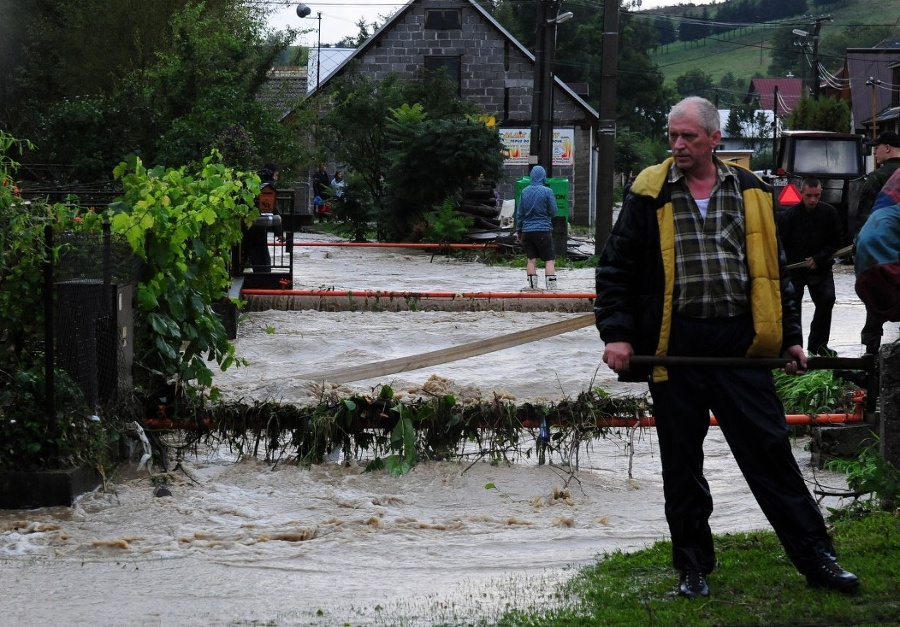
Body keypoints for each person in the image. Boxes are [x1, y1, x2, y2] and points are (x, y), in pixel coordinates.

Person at [594, 96, 859, 599]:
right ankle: (692, 566)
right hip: (675, 345)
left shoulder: (754, 192)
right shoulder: (648, 192)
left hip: (740, 343)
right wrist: (618, 334)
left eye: (688, 137)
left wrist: (792, 338)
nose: (677, 145)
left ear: (715, 139)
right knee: (682, 462)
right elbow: (615, 271)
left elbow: (772, 273)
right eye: (672, 136)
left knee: (771, 452)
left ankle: (816, 557)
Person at [777, 176, 842, 355]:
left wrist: (818, 258)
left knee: (827, 300)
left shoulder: (829, 213)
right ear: (801, 194)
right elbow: (780, 245)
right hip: (795, 269)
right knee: (791, 307)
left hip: (821, 267)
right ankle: (792, 346)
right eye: (809, 196)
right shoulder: (788, 216)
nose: (813, 200)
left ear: (821, 194)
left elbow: (837, 241)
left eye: (816, 196)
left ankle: (818, 346)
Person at [856, 131, 900, 355]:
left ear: (889, 148)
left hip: (877, 250)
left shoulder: (877, 177)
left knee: (876, 303)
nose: (875, 151)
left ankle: (870, 356)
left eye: (878, 147)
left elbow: (865, 218)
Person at [515, 164, 558, 290]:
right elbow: (553, 211)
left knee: (531, 260)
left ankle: (533, 288)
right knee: (549, 260)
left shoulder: (524, 192)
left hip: (527, 232)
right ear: (543, 176)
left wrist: (519, 230)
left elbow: (519, 214)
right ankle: (551, 290)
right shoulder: (547, 191)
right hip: (543, 230)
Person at [243, 163, 283, 273]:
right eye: (276, 175)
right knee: (259, 254)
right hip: (257, 227)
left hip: (248, 226)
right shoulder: (269, 188)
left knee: (246, 253)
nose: (277, 178)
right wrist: (279, 231)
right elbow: (273, 209)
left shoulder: (254, 184)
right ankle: (263, 274)